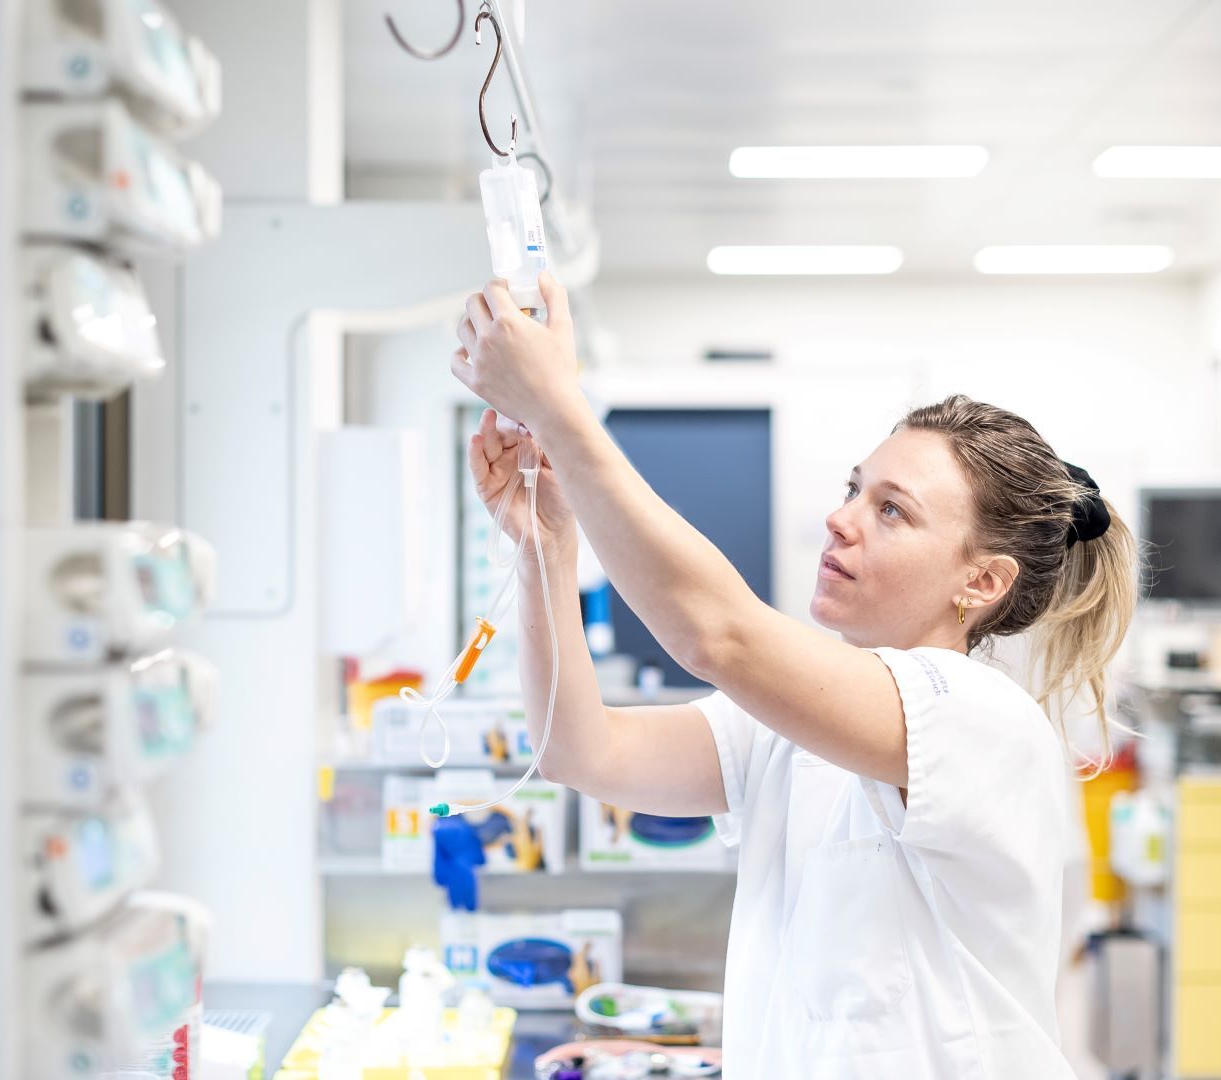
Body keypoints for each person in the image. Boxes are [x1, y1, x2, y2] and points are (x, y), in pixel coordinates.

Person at [450, 274, 1137, 1077]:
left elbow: (717, 635)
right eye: (854, 488)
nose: (840, 517)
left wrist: (559, 412)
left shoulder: (982, 720)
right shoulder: (787, 732)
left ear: (981, 582)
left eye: (892, 510)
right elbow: (581, 752)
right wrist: (546, 547)